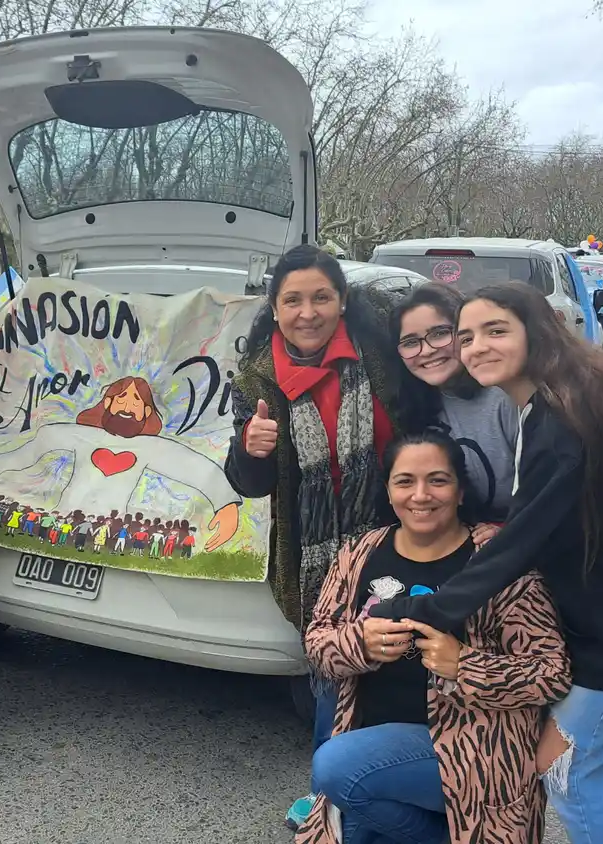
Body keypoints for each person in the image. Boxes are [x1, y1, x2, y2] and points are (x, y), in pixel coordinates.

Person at [369, 282, 603, 844]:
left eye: (495, 331)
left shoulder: (561, 424)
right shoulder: (563, 397)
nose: (476, 347)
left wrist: (415, 610)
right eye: (468, 335)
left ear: (536, 330)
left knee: (566, 772)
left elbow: (519, 542)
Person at [220, 244, 415, 828]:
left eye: (321, 297)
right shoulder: (257, 377)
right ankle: (328, 793)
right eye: (293, 300)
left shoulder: (382, 356)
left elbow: (422, 431)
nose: (308, 312)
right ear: (275, 309)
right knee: (332, 674)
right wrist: (249, 452)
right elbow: (250, 483)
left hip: (395, 542)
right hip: (314, 559)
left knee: (401, 665)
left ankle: (388, 787)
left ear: (343, 300)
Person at [296, 430, 570, 844]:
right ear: (388, 491)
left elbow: (551, 673)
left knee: (335, 767)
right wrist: (359, 644)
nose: (421, 495)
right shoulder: (360, 553)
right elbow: (317, 642)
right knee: (346, 810)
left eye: (438, 480)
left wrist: (465, 665)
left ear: (461, 492)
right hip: (379, 753)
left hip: (472, 754)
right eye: (405, 481)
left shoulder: (497, 563)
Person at [391, 283, 517, 521]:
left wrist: (504, 531)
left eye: (439, 333)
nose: (426, 350)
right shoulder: (411, 407)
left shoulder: (505, 398)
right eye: (410, 342)